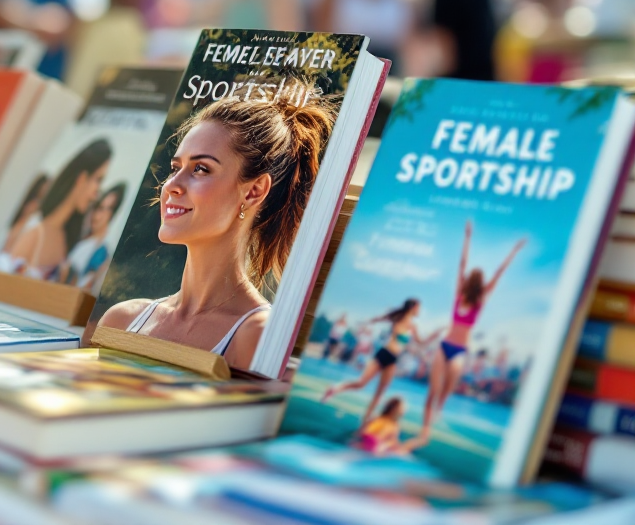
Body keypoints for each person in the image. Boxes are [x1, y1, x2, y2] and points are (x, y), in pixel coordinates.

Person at [97, 95, 335, 370]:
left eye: (201, 168)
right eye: (176, 168)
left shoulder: (256, 335)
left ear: (253, 191)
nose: (172, 185)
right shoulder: (122, 320)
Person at [422, 222, 525, 432]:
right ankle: (427, 419)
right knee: (434, 387)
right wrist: (467, 237)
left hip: (459, 349)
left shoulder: (480, 300)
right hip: (445, 345)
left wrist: (514, 251)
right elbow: (462, 264)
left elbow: (499, 272)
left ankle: (437, 412)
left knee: (449, 385)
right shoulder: (459, 294)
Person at [0, 139, 112, 281]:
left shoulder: (67, 238)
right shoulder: (35, 234)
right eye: (98, 180)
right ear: (82, 178)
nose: (97, 193)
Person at [322, 298, 436, 426]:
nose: (420, 310)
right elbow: (380, 319)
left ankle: (365, 420)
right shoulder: (398, 318)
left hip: (393, 359)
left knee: (379, 393)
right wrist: (366, 322)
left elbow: (421, 342)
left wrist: (434, 336)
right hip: (384, 353)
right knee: (361, 383)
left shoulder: (413, 326)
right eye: (419, 307)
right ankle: (334, 389)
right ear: (413, 307)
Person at [61, 182, 128, 293]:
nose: (97, 215)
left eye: (107, 209)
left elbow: (83, 287)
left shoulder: (101, 252)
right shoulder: (77, 238)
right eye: (98, 207)